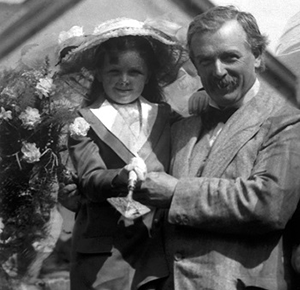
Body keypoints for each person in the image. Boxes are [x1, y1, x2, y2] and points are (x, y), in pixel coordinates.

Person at [132, 6, 300, 290]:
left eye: (230, 57)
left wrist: (176, 192)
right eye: (206, 60)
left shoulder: (286, 118)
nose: (218, 71)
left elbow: (269, 203)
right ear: (195, 66)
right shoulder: (181, 127)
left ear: (258, 56)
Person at [58, 18, 186, 290]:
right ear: (99, 73)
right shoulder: (85, 121)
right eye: (114, 71)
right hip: (103, 253)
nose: (124, 80)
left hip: (155, 250)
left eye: (135, 72)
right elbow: (91, 180)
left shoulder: (166, 116)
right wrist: (121, 176)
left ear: (148, 74)